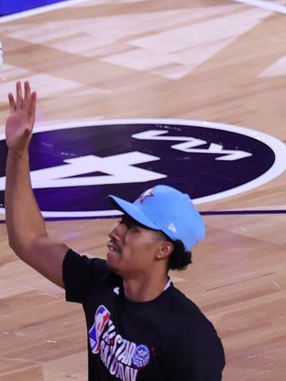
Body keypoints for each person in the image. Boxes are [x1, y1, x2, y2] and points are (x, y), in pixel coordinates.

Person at [4, 80, 225, 379]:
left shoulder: (190, 337)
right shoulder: (99, 283)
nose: (115, 232)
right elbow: (28, 240)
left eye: (133, 228)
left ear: (164, 249)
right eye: (123, 221)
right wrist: (17, 154)